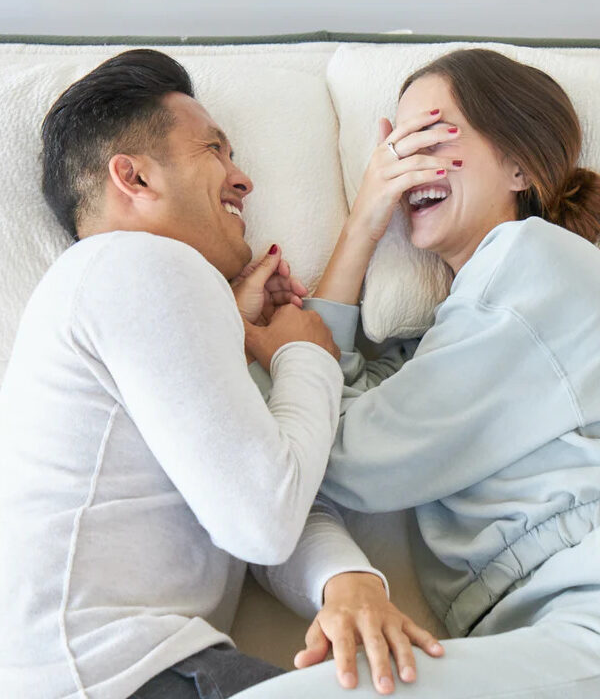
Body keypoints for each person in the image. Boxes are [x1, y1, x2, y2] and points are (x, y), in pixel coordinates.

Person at [0, 49, 443, 699]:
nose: (243, 180)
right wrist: (305, 356)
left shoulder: (119, 288)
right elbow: (264, 522)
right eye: (215, 150)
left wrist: (345, 579)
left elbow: (263, 497)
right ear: (134, 177)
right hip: (119, 674)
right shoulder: (141, 264)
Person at [236, 49, 600, 698]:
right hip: (535, 636)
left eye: (430, 137)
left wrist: (277, 344)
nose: (404, 168)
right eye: (395, 149)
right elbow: (314, 428)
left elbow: (341, 454)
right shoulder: (445, 340)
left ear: (519, 164)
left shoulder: (537, 267)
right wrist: (364, 227)